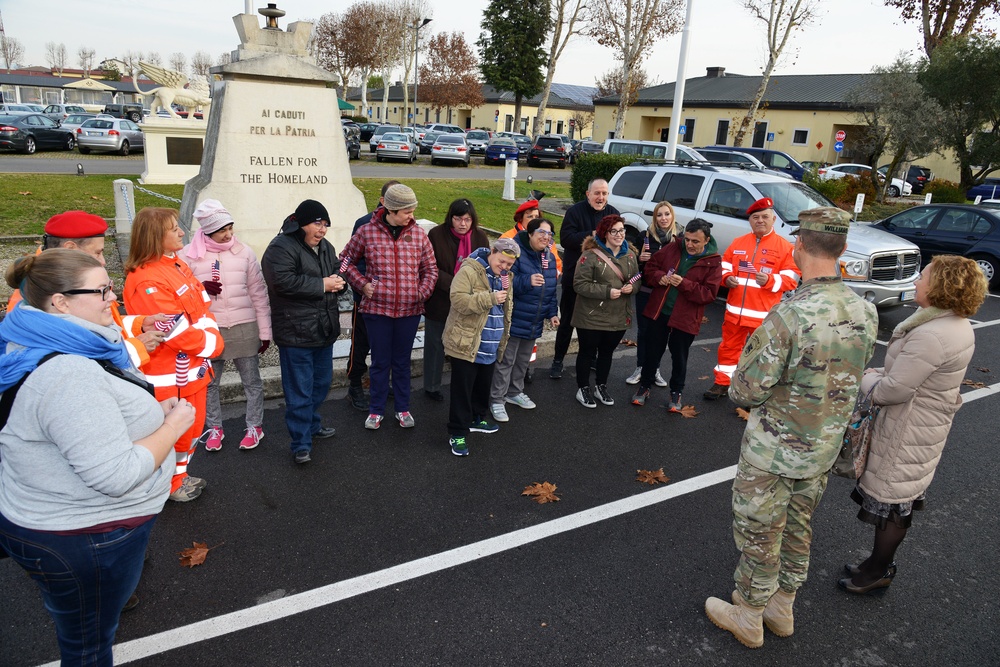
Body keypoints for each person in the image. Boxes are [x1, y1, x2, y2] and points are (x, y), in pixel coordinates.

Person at [0, 249, 197, 665]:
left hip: (59, 522)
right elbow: (116, 474)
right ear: (60, 302)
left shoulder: (41, 338)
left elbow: (74, 425)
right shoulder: (69, 372)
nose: (115, 299)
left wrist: (146, 420)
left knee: (79, 626)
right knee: (88, 646)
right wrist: (172, 428)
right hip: (87, 536)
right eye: (102, 291)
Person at [704, 208, 878, 648]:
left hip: (775, 451)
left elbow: (744, 390)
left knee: (761, 529)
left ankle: (749, 612)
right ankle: (783, 608)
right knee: (799, 526)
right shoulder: (865, 309)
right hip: (822, 450)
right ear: (840, 248)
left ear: (799, 244)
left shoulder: (790, 315)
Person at [839, 255, 987, 594]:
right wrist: (882, 375)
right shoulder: (950, 324)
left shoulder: (933, 333)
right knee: (897, 500)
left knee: (892, 503)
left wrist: (864, 377)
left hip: (907, 430)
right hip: (921, 425)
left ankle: (877, 571)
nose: (917, 280)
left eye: (924, 276)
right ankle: (876, 563)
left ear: (942, 286)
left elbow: (894, 390)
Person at [123, 207, 224, 502]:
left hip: (193, 371)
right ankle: (168, 484)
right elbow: (172, 330)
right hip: (171, 378)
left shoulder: (175, 264)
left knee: (191, 431)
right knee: (174, 434)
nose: (182, 232)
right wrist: (212, 344)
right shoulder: (146, 279)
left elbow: (202, 307)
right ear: (155, 237)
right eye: (173, 229)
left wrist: (208, 336)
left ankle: (178, 476)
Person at [7, 210, 168, 369]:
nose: (103, 261)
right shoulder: (37, 293)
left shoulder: (71, 284)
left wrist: (139, 324)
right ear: (70, 248)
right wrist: (136, 348)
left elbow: (96, 321)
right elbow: (80, 354)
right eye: (97, 253)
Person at [340, 184, 438, 431]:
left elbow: (431, 270)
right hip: (377, 312)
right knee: (381, 362)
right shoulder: (366, 232)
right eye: (407, 211)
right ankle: (376, 410)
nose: (412, 216)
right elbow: (344, 261)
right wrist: (362, 285)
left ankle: (403, 409)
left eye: (413, 210)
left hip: (410, 311)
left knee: (402, 362)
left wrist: (421, 293)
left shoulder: (418, 235)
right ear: (391, 210)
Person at [182, 199, 271, 453]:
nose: (229, 234)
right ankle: (214, 428)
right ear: (207, 231)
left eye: (231, 228)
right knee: (210, 384)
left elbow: (258, 293)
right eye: (222, 230)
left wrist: (264, 331)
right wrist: (200, 288)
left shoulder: (244, 252)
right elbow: (179, 294)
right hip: (209, 329)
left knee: (252, 382)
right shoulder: (188, 254)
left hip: (244, 325)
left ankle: (255, 426)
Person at [260, 199, 345, 464]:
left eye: (326, 225)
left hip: (324, 330)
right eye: (317, 224)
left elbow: (336, 274)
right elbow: (282, 282)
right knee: (299, 390)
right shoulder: (280, 247)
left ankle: (311, 424)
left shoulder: (326, 248)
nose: (322, 230)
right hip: (295, 333)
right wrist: (322, 285)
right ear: (302, 223)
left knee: (321, 385)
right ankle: (300, 443)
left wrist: (340, 284)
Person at [703, 197, 799, 401]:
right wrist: (726, 278)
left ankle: (754, 393)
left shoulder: (784, 247)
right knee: (728, 349)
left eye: (765, 217)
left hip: (763, 316)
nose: (760, 220)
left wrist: (771, 280)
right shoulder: (739, 242)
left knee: (762, 356)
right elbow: (725, 264)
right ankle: (722, 383)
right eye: (756, 217)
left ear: (774, 219)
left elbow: (792, 278)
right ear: (750, 221)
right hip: (734, 312)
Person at [631, 218, 722, 411]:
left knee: (679, 356)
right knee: (652, 352)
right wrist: (659, 278)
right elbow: (650, 269)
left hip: (685, 318)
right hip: (660, 311)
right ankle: (645, 387)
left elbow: (709, 294)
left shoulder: (712, 262)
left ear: (706, 240)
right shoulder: (673, 248)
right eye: (687, 239)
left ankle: (676, 391)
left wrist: (684, 284)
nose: (689, 244)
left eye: (695, 241)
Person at [443, 238, 517, 456]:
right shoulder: (469, 270)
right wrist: (490, 298)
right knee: (462, 391)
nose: (504, 267)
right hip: (466, 343)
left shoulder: (506, 278)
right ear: (492, 252)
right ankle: (457, 432)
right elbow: (458, 301)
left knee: (482, 387)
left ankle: (477, 418)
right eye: (501, 262)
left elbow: (506, 311)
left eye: (509, 265)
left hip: (490, 345)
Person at [489, 217, 559, 422]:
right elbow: (504, 281)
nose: (546, 238)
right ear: (530, 233)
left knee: (523, 360)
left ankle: (514, 392)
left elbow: (551, 288)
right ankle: (496, 399)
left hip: (535, 319)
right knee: (505, 360)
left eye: (550, 234)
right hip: (514, 316)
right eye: (541, 233)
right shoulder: (515, 252)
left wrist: (552, 313)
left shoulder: (549, 257)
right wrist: (526, 281)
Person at [550, 178, 619, 379]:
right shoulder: (575, 212)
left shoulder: (613, 213)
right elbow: (566, 239)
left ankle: (592, 358)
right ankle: (558, 360)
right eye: (597, 193)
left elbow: (619, 240)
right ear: (588, 194)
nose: (601, 197)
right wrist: (592, 234)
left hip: (601, 280)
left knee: (595, 323)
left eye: (604, 193)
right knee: (568, 322)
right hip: (575, 277)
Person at [424, 199, 490, 402]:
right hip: (441, 299)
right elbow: (430, 266)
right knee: (435, 344)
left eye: (467, 219)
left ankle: (463, 385)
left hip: (468, 302)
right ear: (450, 218)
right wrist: (455, 285)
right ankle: (431, 386)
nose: (463, 223)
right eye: (458, 218)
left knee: (465, 345)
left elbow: (486, 268)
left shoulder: (480, 237)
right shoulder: (436, 235)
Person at [571, 214, 638, 408]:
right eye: (614, 231)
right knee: (587, 352)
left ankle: (601, 385)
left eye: (622, 230)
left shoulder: (630, 255)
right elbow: (579, 284)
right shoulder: (590, 255)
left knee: (607, 352)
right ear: (604, 233)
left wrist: (631, 288)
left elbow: (636, 280)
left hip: (618, 315)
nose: (619, 235)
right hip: (591, 315)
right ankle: (583, 387)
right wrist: (607, 291)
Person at [346, 180, 400, 411]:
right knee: (361, 344)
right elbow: (349, 260)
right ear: (382, 201)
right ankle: (355, 384)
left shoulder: (405, 227)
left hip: (393, 302)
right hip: (366, 300)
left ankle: (378, 382)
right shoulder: (364, 224)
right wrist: (363, 285)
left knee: (385, 346)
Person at [626, 200, 680, 388]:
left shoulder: (679, 238)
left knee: (660, 334)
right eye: (659, 214)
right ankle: (641, 367)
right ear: (654, 217)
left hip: (667, 294)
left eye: (667, 214)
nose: (663, 218)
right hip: (646, 292)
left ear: (672, 216)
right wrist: (639, 259)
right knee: (644, 332)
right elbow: (633, 265)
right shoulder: (645, 236)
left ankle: (654, 368)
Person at [500, 199, 563, 274]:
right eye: (530, 216)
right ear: (520, 218)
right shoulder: (507, 238)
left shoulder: (548, 240)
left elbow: (557, 265)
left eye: (537, 217)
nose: (534, 220)